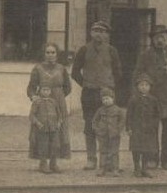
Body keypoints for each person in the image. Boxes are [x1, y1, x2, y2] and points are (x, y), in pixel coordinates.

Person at [133, 24, 167, 170]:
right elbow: (137, 75)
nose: (160, 40)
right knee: (151, 130)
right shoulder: (145, 56)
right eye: (157, 37)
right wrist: (144, 85)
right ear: (152, 39)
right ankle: (151, 159)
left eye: (162, 37)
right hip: (151, 99)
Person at [71, 21, 122, 170]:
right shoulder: (83, 50)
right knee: (90, 125)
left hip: (106, 94)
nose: (98, 34)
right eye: (95, 30)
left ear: (107, 34)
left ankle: (106, 159)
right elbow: (75, 72)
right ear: (91, 33)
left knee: (108, 125)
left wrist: (109, 87)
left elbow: (118, 72)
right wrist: (86, 84)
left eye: (102, 31)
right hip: (89, 93)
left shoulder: (112, 50)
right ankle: (91, 159)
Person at [27, 42, 72, 172]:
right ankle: (42, 163)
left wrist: (59, 97)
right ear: (44, 54)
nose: (50, 55)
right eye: (48, 52)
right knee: (42, 131)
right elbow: (31, 87)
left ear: (57, 54)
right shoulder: (38, 68)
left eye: (53, 52)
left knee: (57, 132)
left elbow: (68, 87)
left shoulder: (62, 68)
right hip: (42, 104)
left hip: (58, 103)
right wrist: (34, 97)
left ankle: (54, 162)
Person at [126, 73, 160, 178]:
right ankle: (137, 168)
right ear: (137, 87)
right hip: (136, 129)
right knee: (136, 149)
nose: (144, 87)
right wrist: (128, 128)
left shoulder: (154, 100)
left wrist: (154, 126)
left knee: (147, 150)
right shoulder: (133, 99)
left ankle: (144, 168)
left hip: (148, 130)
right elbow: (129, 115)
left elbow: (157, 114)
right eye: (141, 85)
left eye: (146, 85)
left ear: (150, 87)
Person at [29, 85, 62, 174]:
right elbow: (31, 116)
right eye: (44, 90)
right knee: (43, 147)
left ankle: (53, 164)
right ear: (40, 91)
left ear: (50, 91)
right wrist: (38, 123)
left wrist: (59, 123)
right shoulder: (37, 102)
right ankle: (43, 164)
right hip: (42, 129)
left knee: (54, 146)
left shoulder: (53, 102)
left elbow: (59, 114)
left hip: (53, 128)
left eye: (48, 90)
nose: (46, 92)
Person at [92, 87, 124, 177]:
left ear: (113, 99)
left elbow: (122, 120)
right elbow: (94, 121)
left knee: (114, 152)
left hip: (114, 135)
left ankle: (115, 169)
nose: (105, 101)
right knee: (103, 152)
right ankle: (102, 168)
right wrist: (97, 130)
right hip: (103, 135)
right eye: (103, 99)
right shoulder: (100, 110)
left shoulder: (118, 110)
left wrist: (118, 130)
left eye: (107, 98)